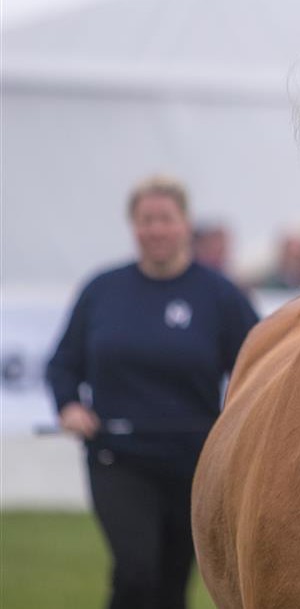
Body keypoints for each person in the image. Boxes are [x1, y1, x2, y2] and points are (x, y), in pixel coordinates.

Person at [46, 175, 259, 609]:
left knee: (171, 584)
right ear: (133, 226)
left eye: (165, 219)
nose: (156, 230)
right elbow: (63, 363)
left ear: (184, 224)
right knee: (136, 571)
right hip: (117, 456)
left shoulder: (219, 295)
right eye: (146, 220)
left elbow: (257, 362)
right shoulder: (102, 290)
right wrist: (69, 406)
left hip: (195, 462)